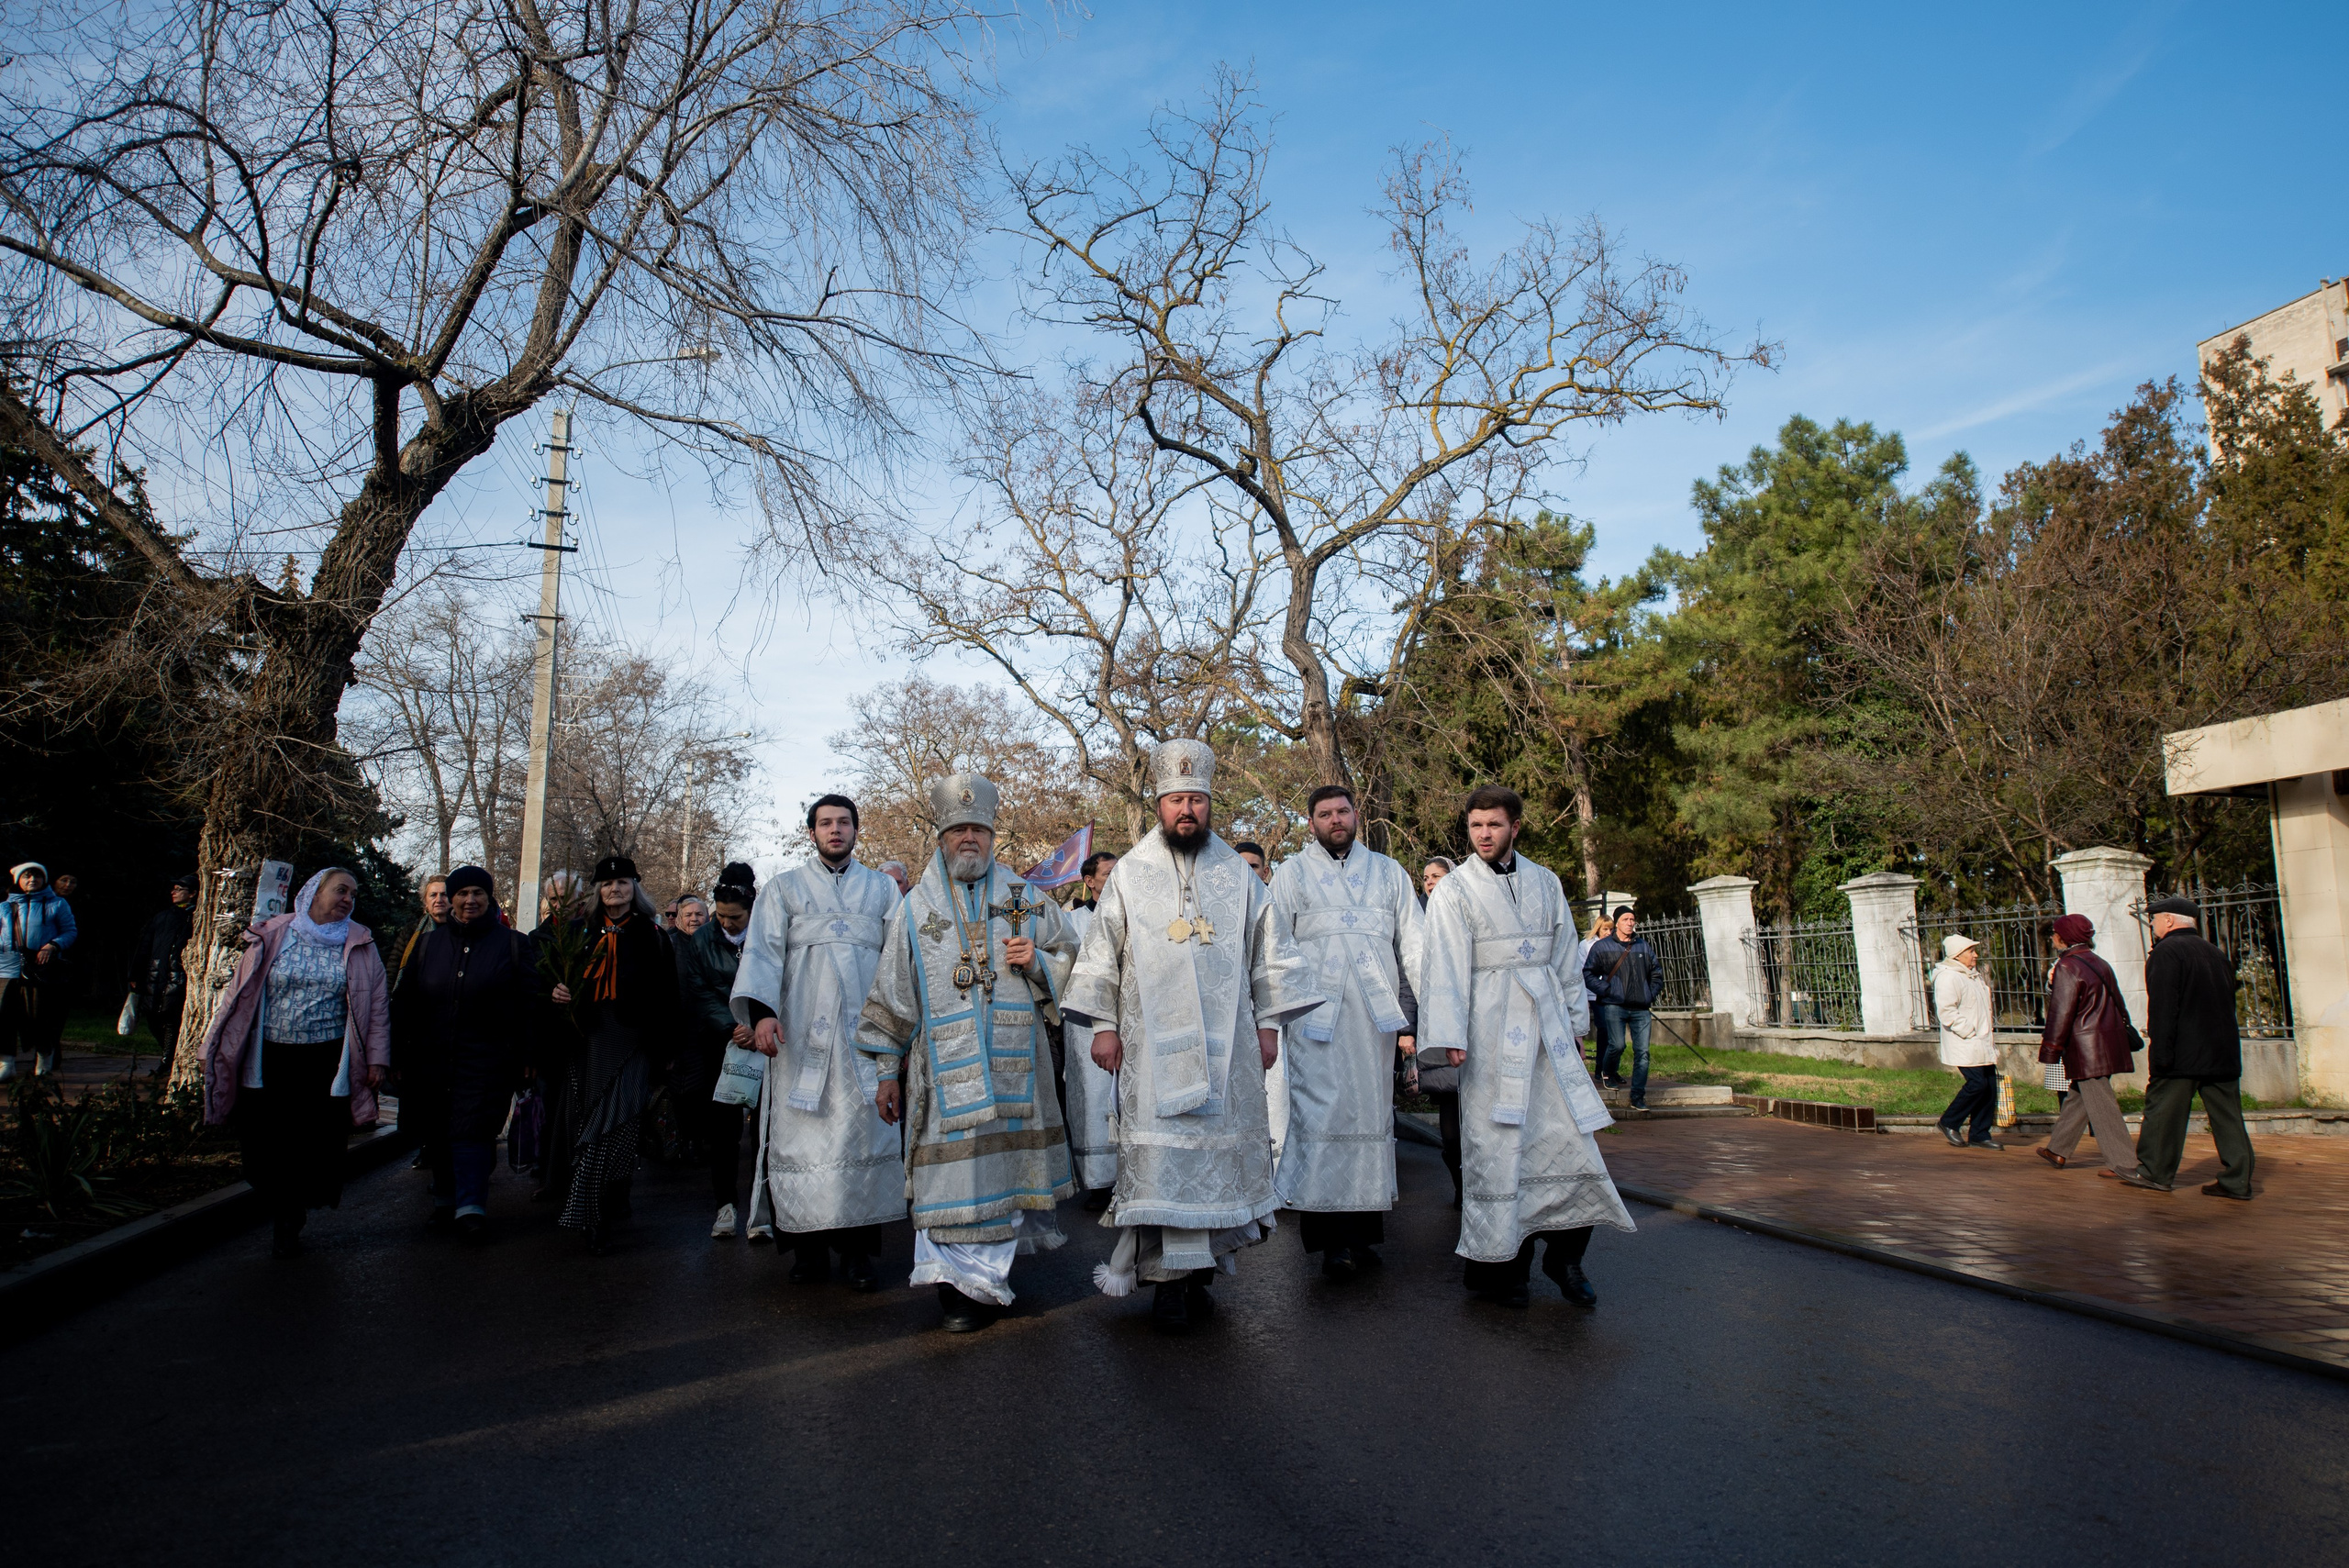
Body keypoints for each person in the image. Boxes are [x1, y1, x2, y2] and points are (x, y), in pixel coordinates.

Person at [1063, 741, 1320, 1333]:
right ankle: (1166, 1283)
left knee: (1215, 1164)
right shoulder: (1129, 872)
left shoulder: (1239, 873)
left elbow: (1270, 957)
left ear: (1210, 805)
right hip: (1149, 1049)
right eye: (1177, 800)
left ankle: (1203, 1272)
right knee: (1163, 1168)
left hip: (1226, 1049)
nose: (1187, 810)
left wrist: (1269, 1027)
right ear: (1160, 804)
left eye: (1197, 800)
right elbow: (1103, 955)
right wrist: (1103, 1028)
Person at [857, 775, 1083, 1332]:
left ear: (991, 835)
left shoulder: (1026, 898)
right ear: (940, 838)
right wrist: (888, 1072)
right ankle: (952, 1288)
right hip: (943, 1072)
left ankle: (986, 1283)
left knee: (1002, 1176)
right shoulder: (914, 910)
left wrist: (1037, 964)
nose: (968, 839)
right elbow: (893, 994)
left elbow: (1078, 962)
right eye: (957, 829)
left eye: (977, 829)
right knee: (948, 1179)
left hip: (1016, 1068)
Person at [1417, 785, 1634, 1308]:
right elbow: (1442, 964)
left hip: (1547, 1036)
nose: (1484, 835)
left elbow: (1564, 959)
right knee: (1497, 1150)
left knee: (1569, 1144)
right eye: (1475, 827)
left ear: (1515, 825)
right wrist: (1449, 1035)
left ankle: (1566, 1258)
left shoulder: (1545, 881)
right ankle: (1501, 1269)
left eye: (1493, 825)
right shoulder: (1455, 891)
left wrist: (1576, 1023)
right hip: (1487, 1034)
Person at [735, 798, 903, 1283]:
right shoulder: (783, 889)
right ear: (811, 832)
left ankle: (856, 1255)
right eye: (826, 823)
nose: (836, 830)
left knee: (861, 1133)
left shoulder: (881, 890)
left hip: (865, 1040)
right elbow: (763, 954)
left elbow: (897, 962)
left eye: (844, 822)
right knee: (801, 1139)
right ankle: (806, 1253)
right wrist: (763, 1017)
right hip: (800, 1034)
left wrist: (900, 1029)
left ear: (855, 830)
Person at [1268, 784, 1423, 1278]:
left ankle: (1364, 1234)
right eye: (1324, 814)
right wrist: (1273, 1017)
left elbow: (1415, 947)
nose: (1335, 820)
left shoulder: (1388, 873)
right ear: (1310, 822)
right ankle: (1330, 1242)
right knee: (1321, 1120)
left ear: (1357, 816)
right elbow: (1272, 948)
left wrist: (1434, 1018)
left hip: (1374, 1023)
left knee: (1370, 1120)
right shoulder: (1292, 874)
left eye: (1342, 811)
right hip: (1315, 1020)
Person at [197, 868, 391, 1257]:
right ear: (313, 893)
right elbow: (238, 995)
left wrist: (377, 1060)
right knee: (266, 1140)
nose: (348, 900)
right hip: (269, 1057)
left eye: (353, 894)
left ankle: (289, 1214)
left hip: (326, 1061)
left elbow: (378, 1009)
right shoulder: (274, 934)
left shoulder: (360, 944)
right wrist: (213, 1045)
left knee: (312, 1143)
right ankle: (283, 1202)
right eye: (340, 891)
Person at [391, 865, 541, 1240]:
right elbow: (405, 1002)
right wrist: (396, 1053)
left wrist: (527, 1055)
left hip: (489, 1058)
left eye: (478, 893)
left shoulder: (513, 944)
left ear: (489, 898)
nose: (469, 900)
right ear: (452, 899)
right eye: (462, 893)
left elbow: (530, 1004)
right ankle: (444, 1202)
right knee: (438, 1129)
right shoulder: (428, 945)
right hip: (432, 1057)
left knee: (473, 1131)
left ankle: (471, 1207)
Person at [543, 855, 678, 1252]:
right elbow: (552, 978)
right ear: (596, 891)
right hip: (585, 1039)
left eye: (622, 883)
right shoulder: (578, 933)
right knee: (584, 1122)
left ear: (634, 889)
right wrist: (556, 993)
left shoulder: (651, 935)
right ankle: (602, 1201)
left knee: (613, 1123)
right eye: (606, 884)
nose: (614, 890)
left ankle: (591, 1211)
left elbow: (669, 996)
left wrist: (667, 1049)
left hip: (632, 1042)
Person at [2134, 896, 2255, 1199]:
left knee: (2162, 1113)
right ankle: (2237, 1180)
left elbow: (2163, 1009)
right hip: (2222, 1053)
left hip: (2182, 1055)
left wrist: (2160, 1055)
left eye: (2155, 919)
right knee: (2229, 1119)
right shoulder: (2216, 953)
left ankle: (2154, 1172)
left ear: (2170, 921)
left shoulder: (2166, 953)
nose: (2152, 924)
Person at [676, 866, 757, 1239]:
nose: (728, 923)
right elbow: (699, 991)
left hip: (765, 1039)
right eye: (721, 916)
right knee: (723, 1131)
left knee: (764, 1131)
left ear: (751, 908)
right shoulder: (702, 940)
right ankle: (725, 1206)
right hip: (721, 1042)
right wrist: (733, 1026)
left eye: (735, 917)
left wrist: (758, 1024)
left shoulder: (767, 932)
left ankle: (764, 1209)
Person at [2034, 914, 2143, 1180]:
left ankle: (2125, 1164)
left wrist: (2051, 1049)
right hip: (2108, 1041)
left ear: (2064, 937)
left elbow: (2061, 1012)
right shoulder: (2099, 962)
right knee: (2079, 1096)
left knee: (2102, 1106)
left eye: (2055, 933)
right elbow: (2119, 1001)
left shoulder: (2067, 966)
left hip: (2086, 1048)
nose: (2052, 938)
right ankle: (2057, 1149)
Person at [1064, 850, 1120, 1211]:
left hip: (1129, 1018)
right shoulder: (1070, 922)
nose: (1116, 877)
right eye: (1109, 872)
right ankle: (1100, 1181)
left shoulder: (1134, 912)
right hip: (1086, 1023)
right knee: (1093, 1095)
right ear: (1089, 881)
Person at [0, 862, 79, 1081]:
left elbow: (70, 931)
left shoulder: (57, 903)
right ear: (19, 880)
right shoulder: (5, 906)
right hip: (8, 967)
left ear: (44, 880)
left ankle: (43, 1062)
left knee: (41, 1016)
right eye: (27, 876)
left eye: (37, 876)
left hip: (42, 969)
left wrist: (53, 945)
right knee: (4, 1016)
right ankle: (6, 1064)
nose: (32, 880)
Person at [1583, 908, 1664, 1111]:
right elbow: (1588, 973)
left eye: (1632, 919)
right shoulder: (1602, 947)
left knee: (1643, 1052)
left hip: (1641, 1008)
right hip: (1614, 1006)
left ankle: (1638, 1095)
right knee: (1617, 1045)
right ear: (1617, 923)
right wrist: (1607, 990)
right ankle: (1608, 1072)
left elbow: (1656, 973)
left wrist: (1649, 994)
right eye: (1625, 919)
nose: (1630, 923)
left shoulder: (1643, 946)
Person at [1931, 934, 2001, 1150]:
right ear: (1958, 955)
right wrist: (1969, 1031)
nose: (1975, 955)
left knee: (1989, 1086)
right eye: (1971, 951)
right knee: (1977, 1083)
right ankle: (1949, 1121)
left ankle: (1980, 1133)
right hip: (1966, 1041)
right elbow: (1947, 1011)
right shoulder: (1948, 977)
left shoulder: (1972, 976)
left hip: (1981, 1041)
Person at [129, 873, 198, 1076]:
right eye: (174, 889)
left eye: (179, 889)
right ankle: (169, 1057)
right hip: (155, 974)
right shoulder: (163, 917)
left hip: (179, 976)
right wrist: (135, 974)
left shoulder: (198, 917)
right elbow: (144, 945)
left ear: (193, 893)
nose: (173, 892)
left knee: (170, 1017)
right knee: (152, 1016)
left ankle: (167, 1062)